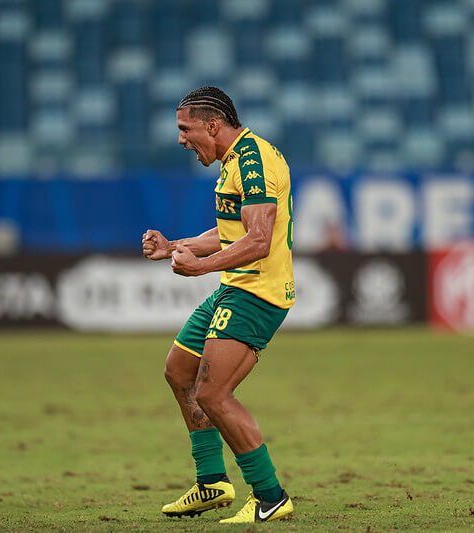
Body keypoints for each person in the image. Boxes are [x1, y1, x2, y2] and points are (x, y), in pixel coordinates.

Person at [143, 86, 296, 523]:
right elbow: (233, 229)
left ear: (213, 125)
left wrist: (201, 267)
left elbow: (260, 240)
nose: (180, 139)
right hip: (236, 286)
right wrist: (175, 244)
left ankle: (271, 497)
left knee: (212, 392)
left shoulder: (255, 161)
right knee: (179, 371)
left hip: (257, 293)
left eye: (184, 128)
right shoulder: (236, 160)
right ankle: (212, 482)